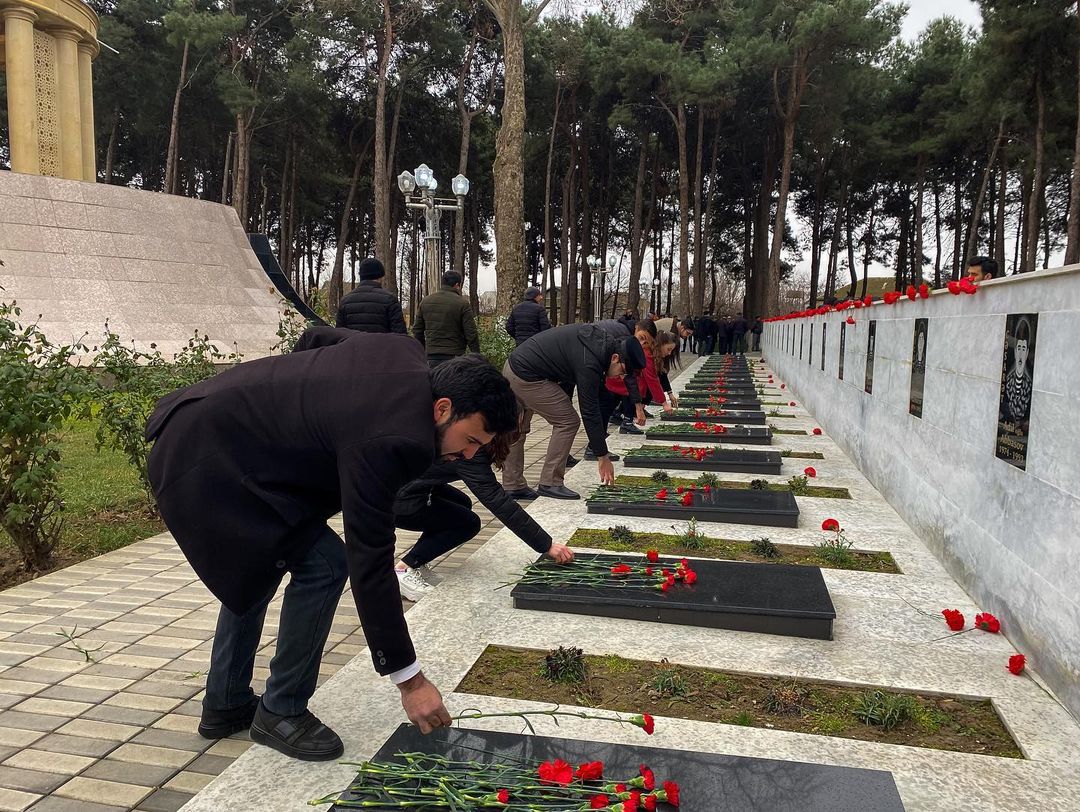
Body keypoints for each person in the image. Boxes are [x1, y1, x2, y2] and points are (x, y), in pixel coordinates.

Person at [145, 333, 518, 761]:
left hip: (217, 434)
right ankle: (281, 710)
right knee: (326, 565)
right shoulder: (395, 438)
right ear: (443, 408)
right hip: (206, 463)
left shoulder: (403, 351)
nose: (468, 455)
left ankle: (226, 704)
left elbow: (317, 337)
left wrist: (294, 404)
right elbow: (370, 557)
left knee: (259, 560)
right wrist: (411, 681)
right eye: (471, 440)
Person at [393, 428, 574, 601]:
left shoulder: (468, 430)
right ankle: (404, 569)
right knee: (468, 523)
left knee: (462, 504)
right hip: (397, 499)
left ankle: (420, 559)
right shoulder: (472, 449)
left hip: (408, 483)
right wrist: (546, 544)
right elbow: (499, 502)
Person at [501, 322, 646, 500]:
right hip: (526, 374)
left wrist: (637, 404)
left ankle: (513, 485)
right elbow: (589, 410)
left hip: (516, 366)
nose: (620, 377)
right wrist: (602, 456)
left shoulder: (600, 345)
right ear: (615, 358)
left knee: (518, 427)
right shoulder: (590, 361)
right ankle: (550, 482)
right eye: (622, 371)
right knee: (568, 421)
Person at [413, 270, 480, 367]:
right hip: (454, 355)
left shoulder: (425, 301)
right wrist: (477, 356)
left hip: (431, 356)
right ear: (457, 285)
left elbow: (417, 330)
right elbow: (471, 334)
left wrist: (423, 350)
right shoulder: (462, 304)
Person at [335, 257, 407, 335]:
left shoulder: (345, 301)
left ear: (361, 276)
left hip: (352, 343)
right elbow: (400, 335)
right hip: (382, 343)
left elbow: (339, 335)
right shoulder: (390, 300)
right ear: (380, 276)